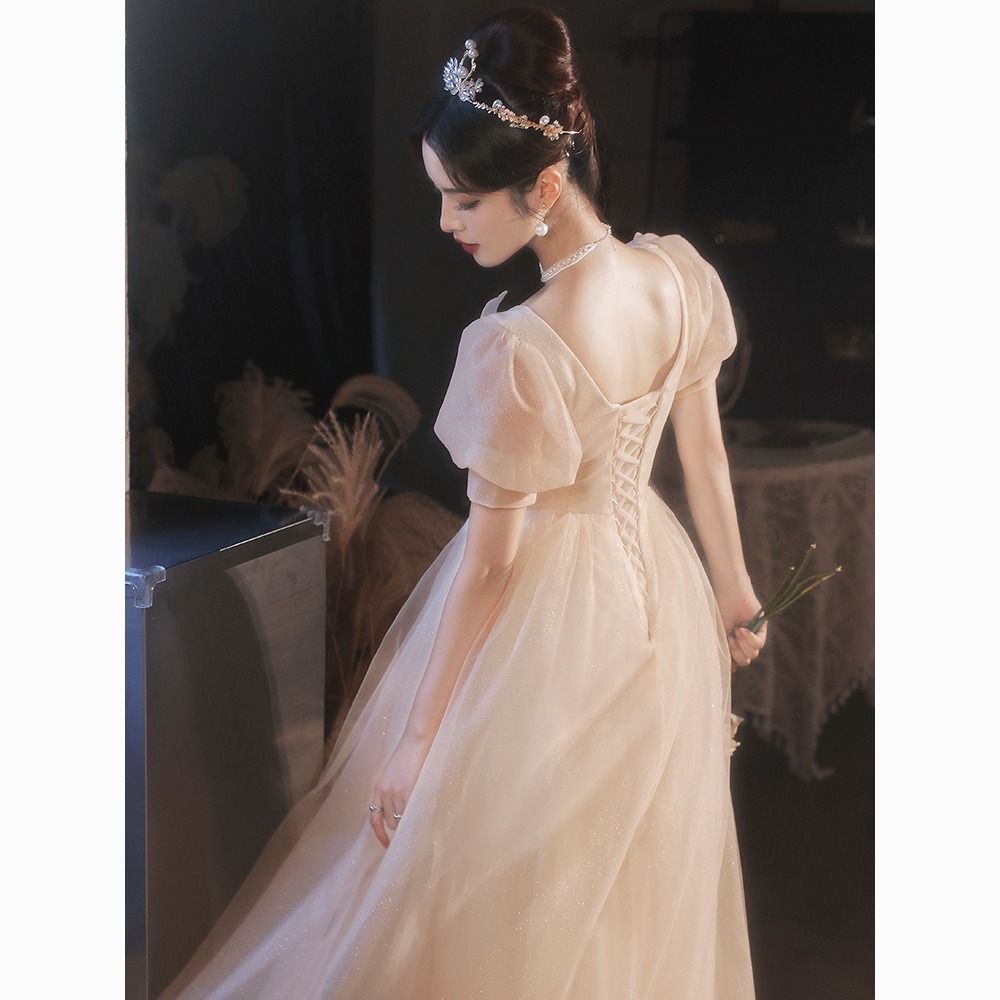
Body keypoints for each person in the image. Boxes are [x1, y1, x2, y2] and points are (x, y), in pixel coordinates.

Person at [160, 7, 766, 998]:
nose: (446, 222)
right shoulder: (677, 279)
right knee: (611, 869)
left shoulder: (517, 347)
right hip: (658, 604)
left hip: (552, 621)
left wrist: (415, 740)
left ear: (544, 185)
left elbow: (490, 565)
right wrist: (732, 593)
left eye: (464, 200)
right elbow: (703, 450)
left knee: (508, 877)